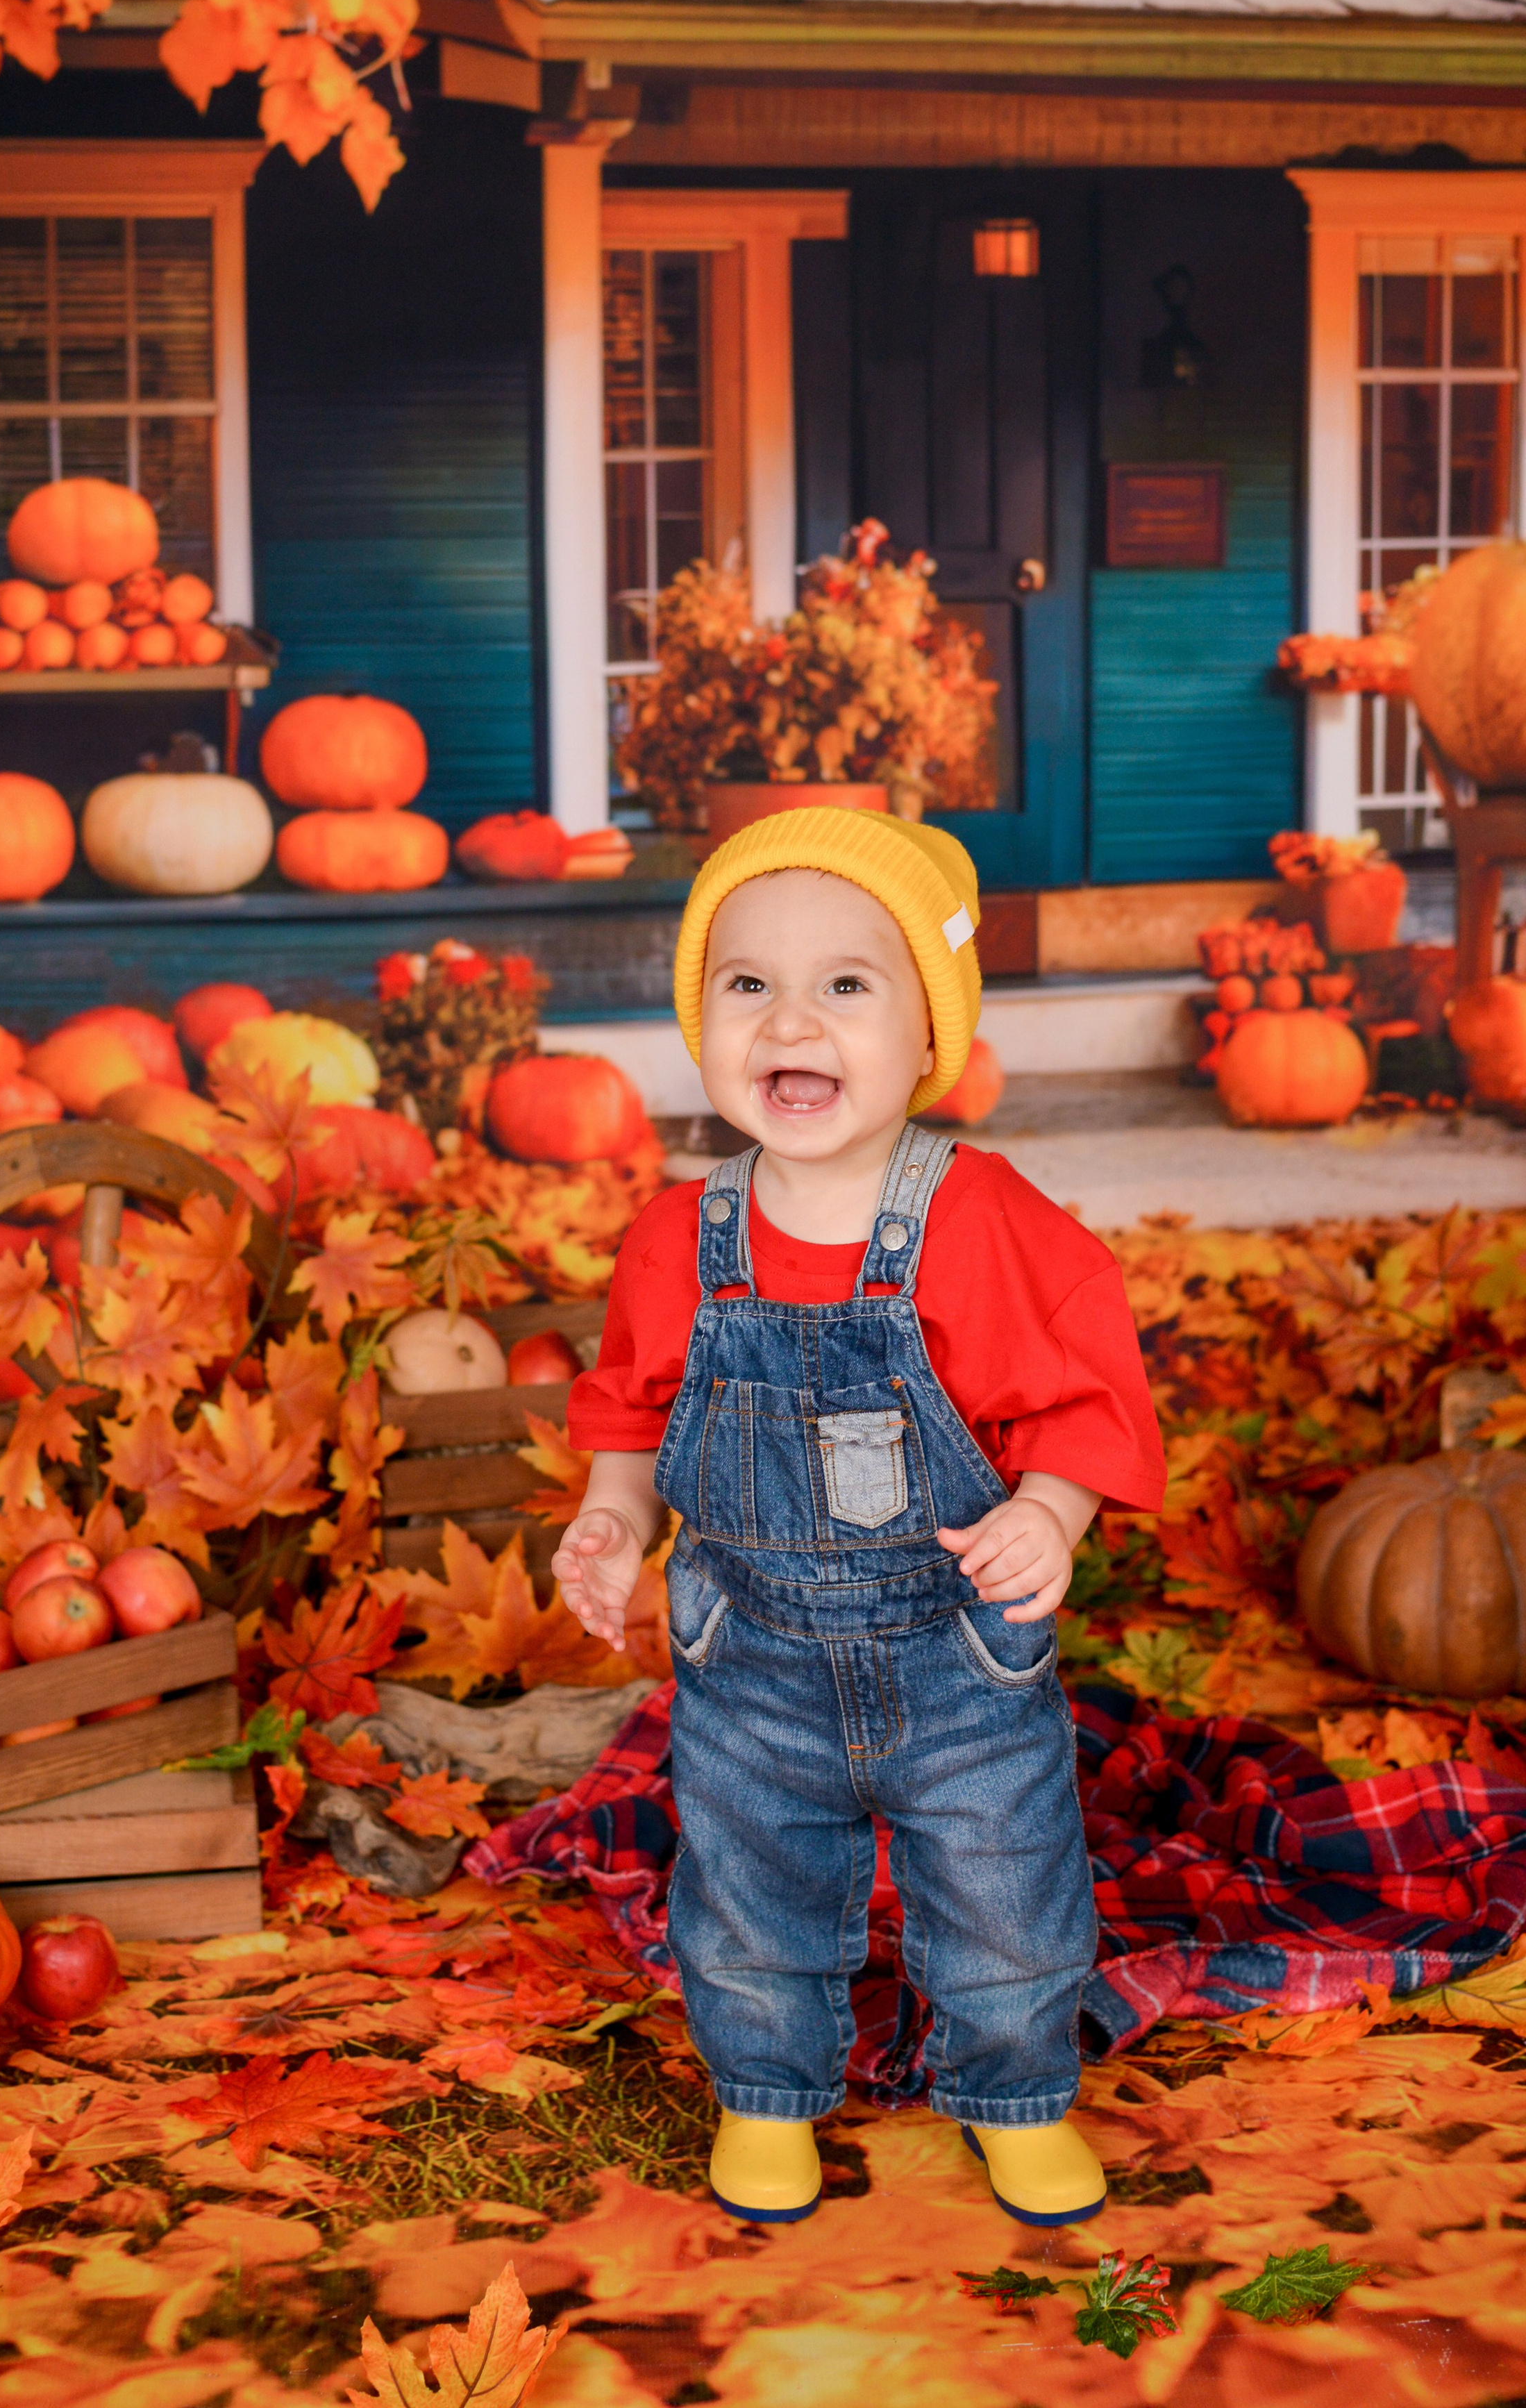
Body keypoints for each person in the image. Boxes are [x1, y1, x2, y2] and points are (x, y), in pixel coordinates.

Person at [552, 808, 1166, 2231]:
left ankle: (1014, 2094)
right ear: (701, 1022)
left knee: (1002, 1887)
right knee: (748, 1886)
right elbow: (633, 1410)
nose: (791, 1020)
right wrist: (605, 1516)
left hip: (959, 1648)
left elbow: (1078, 1389)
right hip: (750, 1657)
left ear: (925, 1036)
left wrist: (1049, 1511)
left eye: (845, 983)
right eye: (745, 982)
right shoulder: (677, 1235)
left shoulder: (982, 1215)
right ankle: (766, 2093)